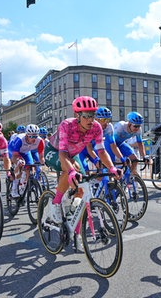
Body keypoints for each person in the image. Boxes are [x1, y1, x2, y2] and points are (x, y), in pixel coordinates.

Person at [44, 96, 121, 224]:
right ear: (77, 115)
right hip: (54, 151)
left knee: (82, 182)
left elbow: (101, 151)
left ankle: (71, 210)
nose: (90, 119)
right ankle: (56, 203)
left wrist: (112, 168)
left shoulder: (96, 127)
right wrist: (70, 171)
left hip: (72, 155)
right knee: (70, 170)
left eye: (92, 115)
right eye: (86, 115)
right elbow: (62, 153)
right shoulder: (67, 125)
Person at [104, 111, 149, 177]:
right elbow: (113, 143)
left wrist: (144, 157)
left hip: (121, 144)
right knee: (111, 165)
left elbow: (140, 144)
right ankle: (110, 183)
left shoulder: (139, 130)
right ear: (129, 123)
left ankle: (129, 178)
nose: (137, 128)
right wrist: (121, 158)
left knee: (135, 159)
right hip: (110, 145)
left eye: (139, 126)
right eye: (135, 126)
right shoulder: (121, 126)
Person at [7, 124, 45, 198]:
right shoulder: (20, 139)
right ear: (27, 135)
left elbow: (41, 157)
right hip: (13, 151)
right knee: (20, 164)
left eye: (35, 136)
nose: (34, 139)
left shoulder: (40, 141)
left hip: (25, 152)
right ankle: (14, 189)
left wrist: (42, 163)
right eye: (31, 136)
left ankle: (23, 184)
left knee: (30, 167)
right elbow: (15, 156)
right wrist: (19, 162)